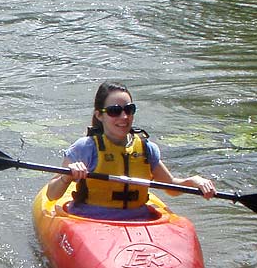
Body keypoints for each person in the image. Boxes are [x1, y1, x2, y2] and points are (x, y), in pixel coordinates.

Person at [45, 81, 216, 220]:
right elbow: (52, 194)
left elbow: (171, 187)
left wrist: (194, 181)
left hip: (138, 219)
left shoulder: (146, 148)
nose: (124, 117)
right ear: (99, 115)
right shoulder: (85, 148)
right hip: (90, 218)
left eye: (129, 110)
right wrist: (66, 176)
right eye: (114, 111)